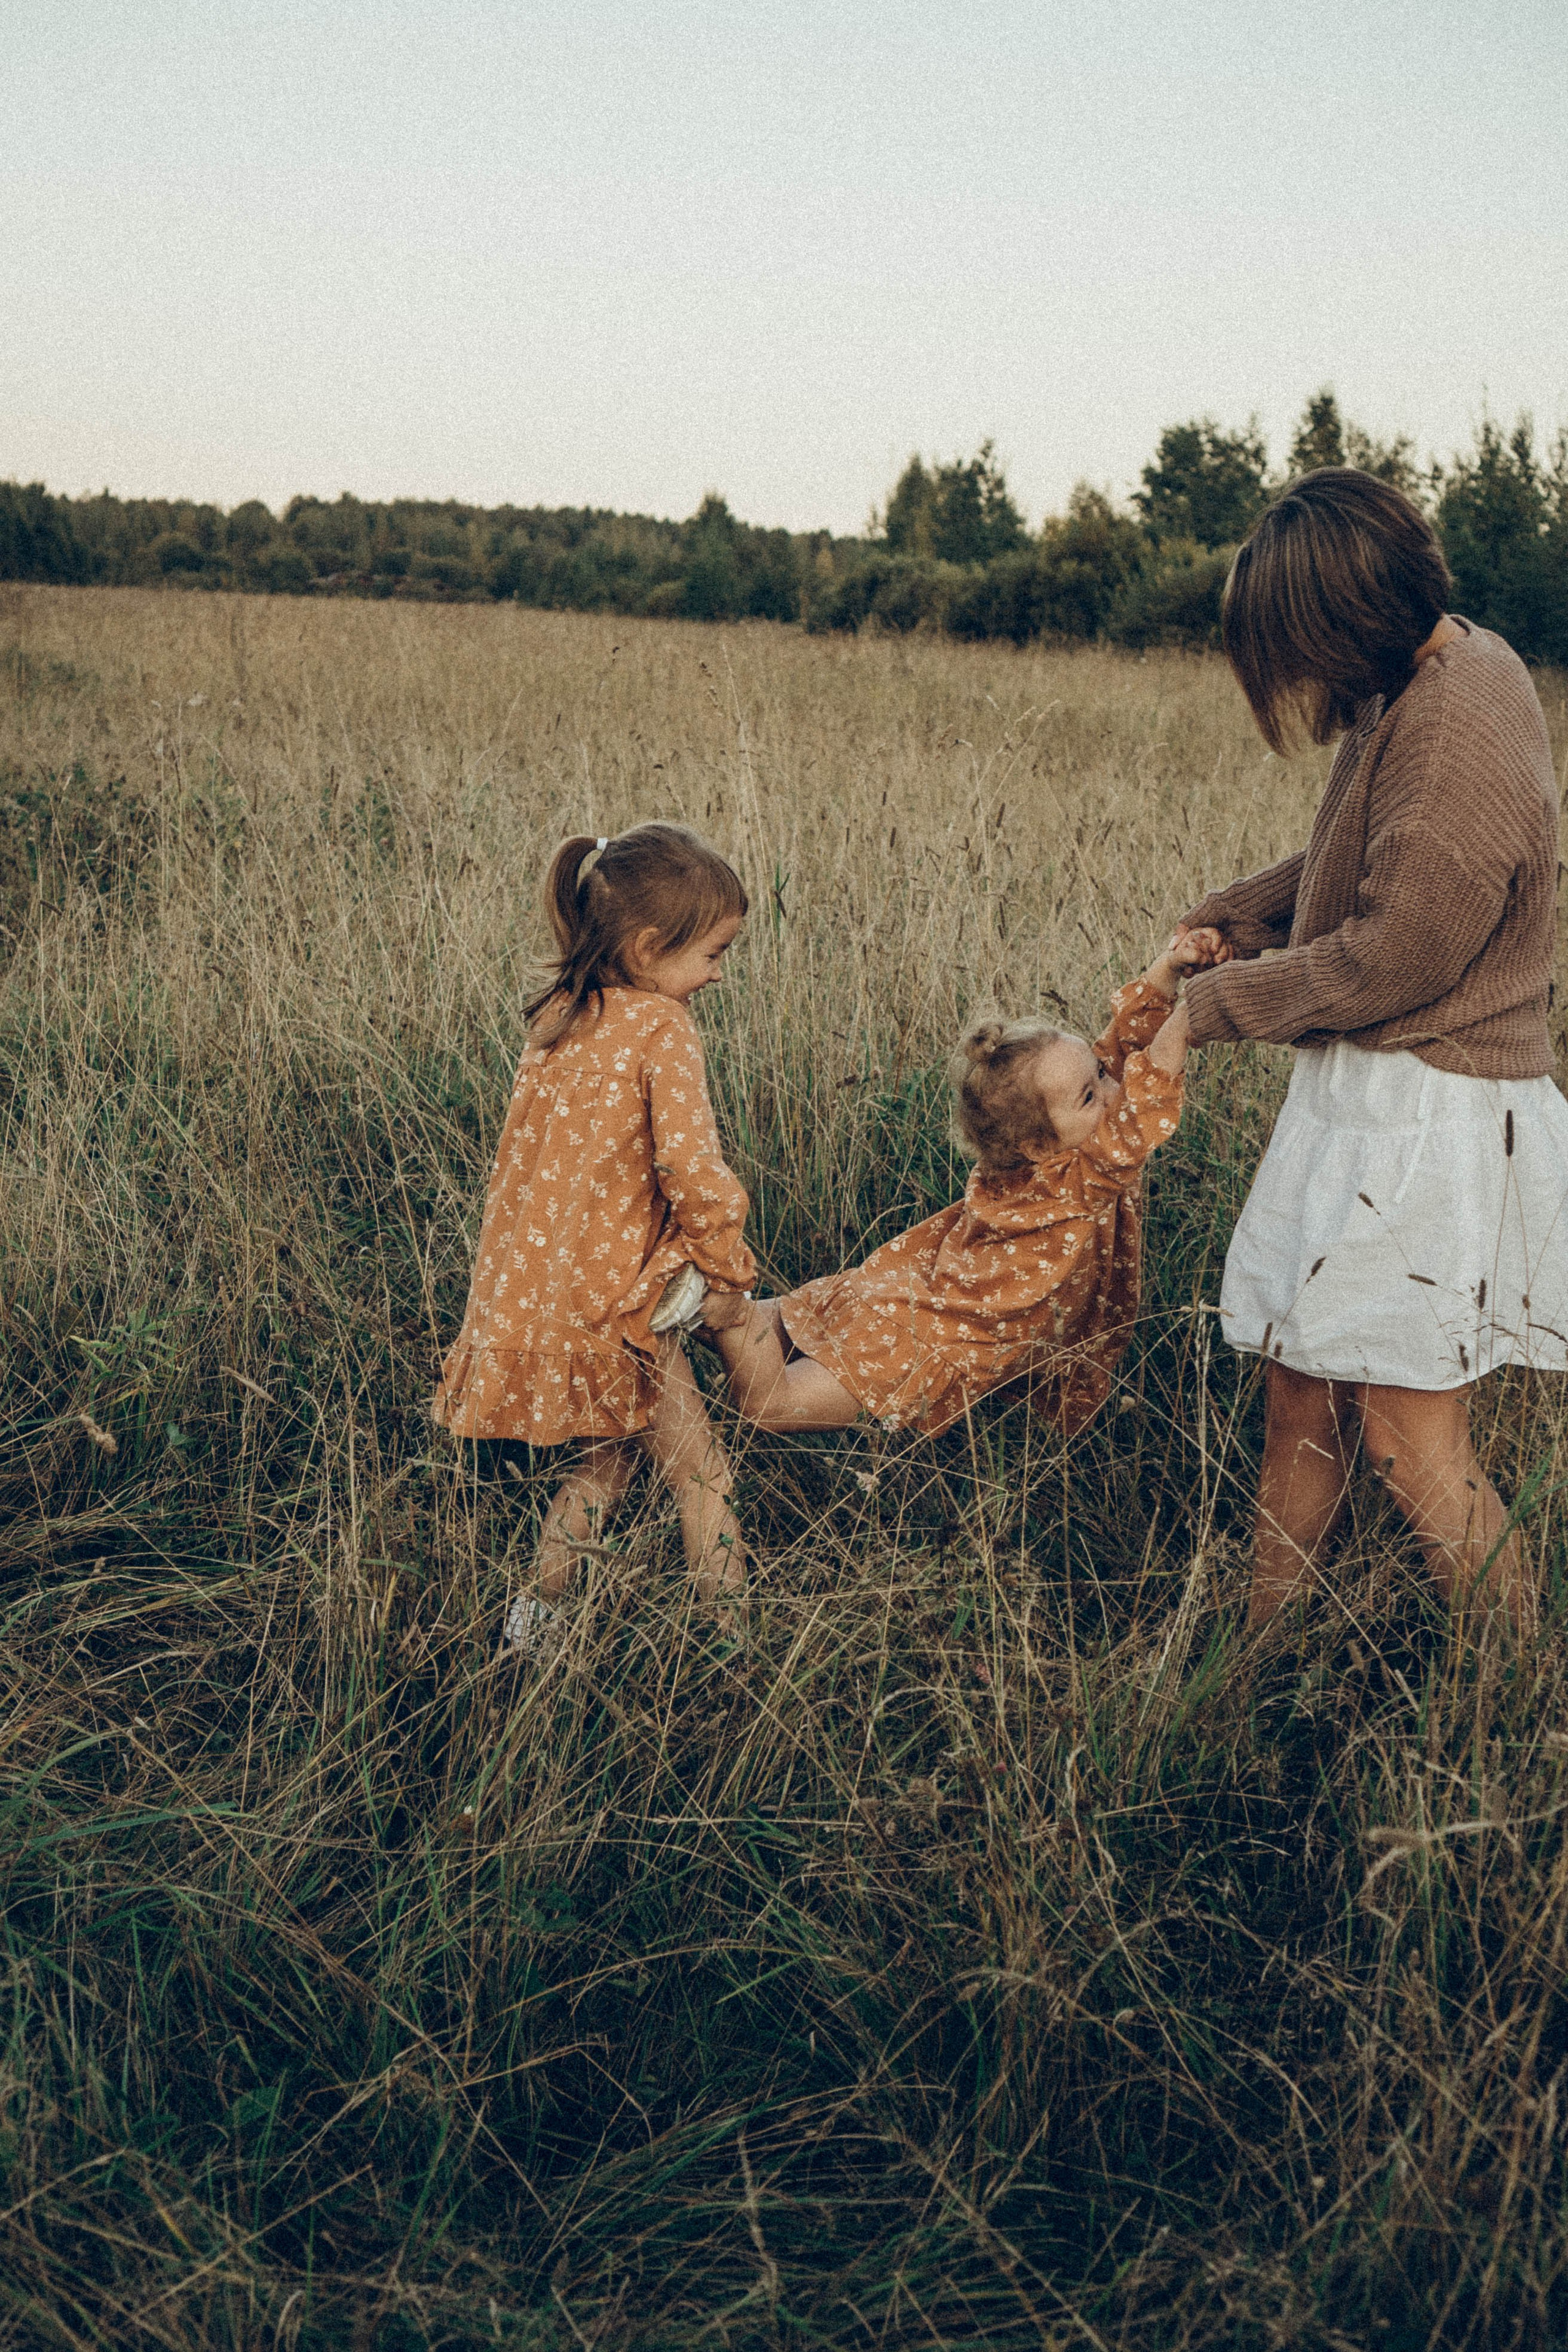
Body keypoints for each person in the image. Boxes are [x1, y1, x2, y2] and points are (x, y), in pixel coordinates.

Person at [1176, 467, 1567, 1637]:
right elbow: (1362, 855)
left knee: (1410, 1442)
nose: (1294, 678)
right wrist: (1238, 913)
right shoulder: (1415, 679)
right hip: (1370, 1096)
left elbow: (1397, 956)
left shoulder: (1457, 721)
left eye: (1297, 645)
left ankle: (1509, 1708)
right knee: (1300, 1388)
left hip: (1433, 1112)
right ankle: (1252, 1665)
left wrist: (1212, 1008)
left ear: (1351, 622)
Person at [432, 823, 756, 1652]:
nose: (719, 973)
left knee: (604, 1467)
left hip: (541, 1295)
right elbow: (694, 1170)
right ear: (651, 948)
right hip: (620, 1309)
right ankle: (732, 1649)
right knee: (701, 1473)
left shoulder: (560, 1020)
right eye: (714, 954)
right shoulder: (660, 1029)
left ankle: (531, 1633)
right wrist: (725, 1269)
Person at [700, 943, 1196, 1439]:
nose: (1116, 1090)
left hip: (909, 1292)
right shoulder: (1073, 1181)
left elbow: (1122, 1051)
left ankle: (719, 1334)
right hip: (929, 1339)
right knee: (774, 1407)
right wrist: (1196, 1009)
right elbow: (1152, 1081)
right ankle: (730, 1315)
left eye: (1102, 1077)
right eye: (1092, 1095)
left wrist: (1171, 967)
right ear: (1039, 1146)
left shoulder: (1046, 1154)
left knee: (787, 1330)